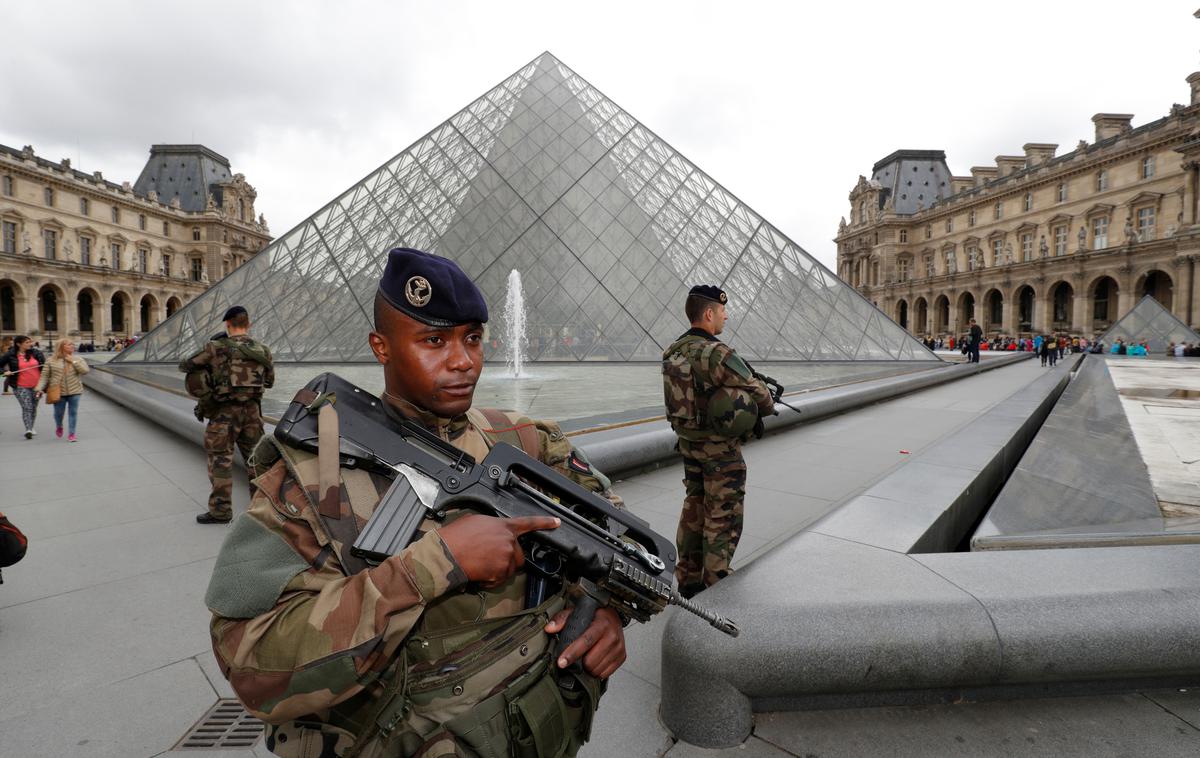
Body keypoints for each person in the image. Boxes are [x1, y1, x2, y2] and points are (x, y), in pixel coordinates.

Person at [205, 248, 626, 756]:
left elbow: (621, 543)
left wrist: (605, 616)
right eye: (433, 340)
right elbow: (249, 661)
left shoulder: (530, 443)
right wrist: (436, 563)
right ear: (381, 347)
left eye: (472, 338)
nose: (462, 360)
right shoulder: (309, 480)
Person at [661, 285, 774, 599]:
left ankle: (687, 577)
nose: (726, 316)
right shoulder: (716, 353)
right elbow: (760, 394)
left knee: (694, 509)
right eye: (722, 311)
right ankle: (717, 582)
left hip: (688, 444)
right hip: (719, 451)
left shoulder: (673, 351)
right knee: (722, 513)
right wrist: (764, 403)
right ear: (709, 313)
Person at [178, 306, 274, 524]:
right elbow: (269, 381)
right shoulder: (263, 350)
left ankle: (221, 511)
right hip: (252, 414)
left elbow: (185, 365)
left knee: (220, 462)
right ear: (248, 324)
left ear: (228, 324)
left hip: (223, 415)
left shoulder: (216, 347)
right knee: (256, 462)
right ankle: (260, 510)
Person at [35, 339, 89, 441]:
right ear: (61, 346)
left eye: (73, 344)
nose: (72, 346)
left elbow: (85, 371)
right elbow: (44, 376)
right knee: (58, 413)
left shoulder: (78, 358)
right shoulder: (51, 360)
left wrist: (73, 361)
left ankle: (72, 434)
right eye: (69, 344)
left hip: (75, 390)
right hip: (58, 391)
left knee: (73, 413)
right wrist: (39, 388)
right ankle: (59, 425)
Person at [2, 336, 45, 438]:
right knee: (27, 407)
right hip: (20, 386)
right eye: (27, 342)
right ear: (19, 344)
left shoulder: (37, 353)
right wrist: (4, 372)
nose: (30, 344)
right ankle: (28, 430)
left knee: (34, 407)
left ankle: (31, 426)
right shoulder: (10, 354)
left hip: (37, 386)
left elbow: (45, 367)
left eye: (30, 342)